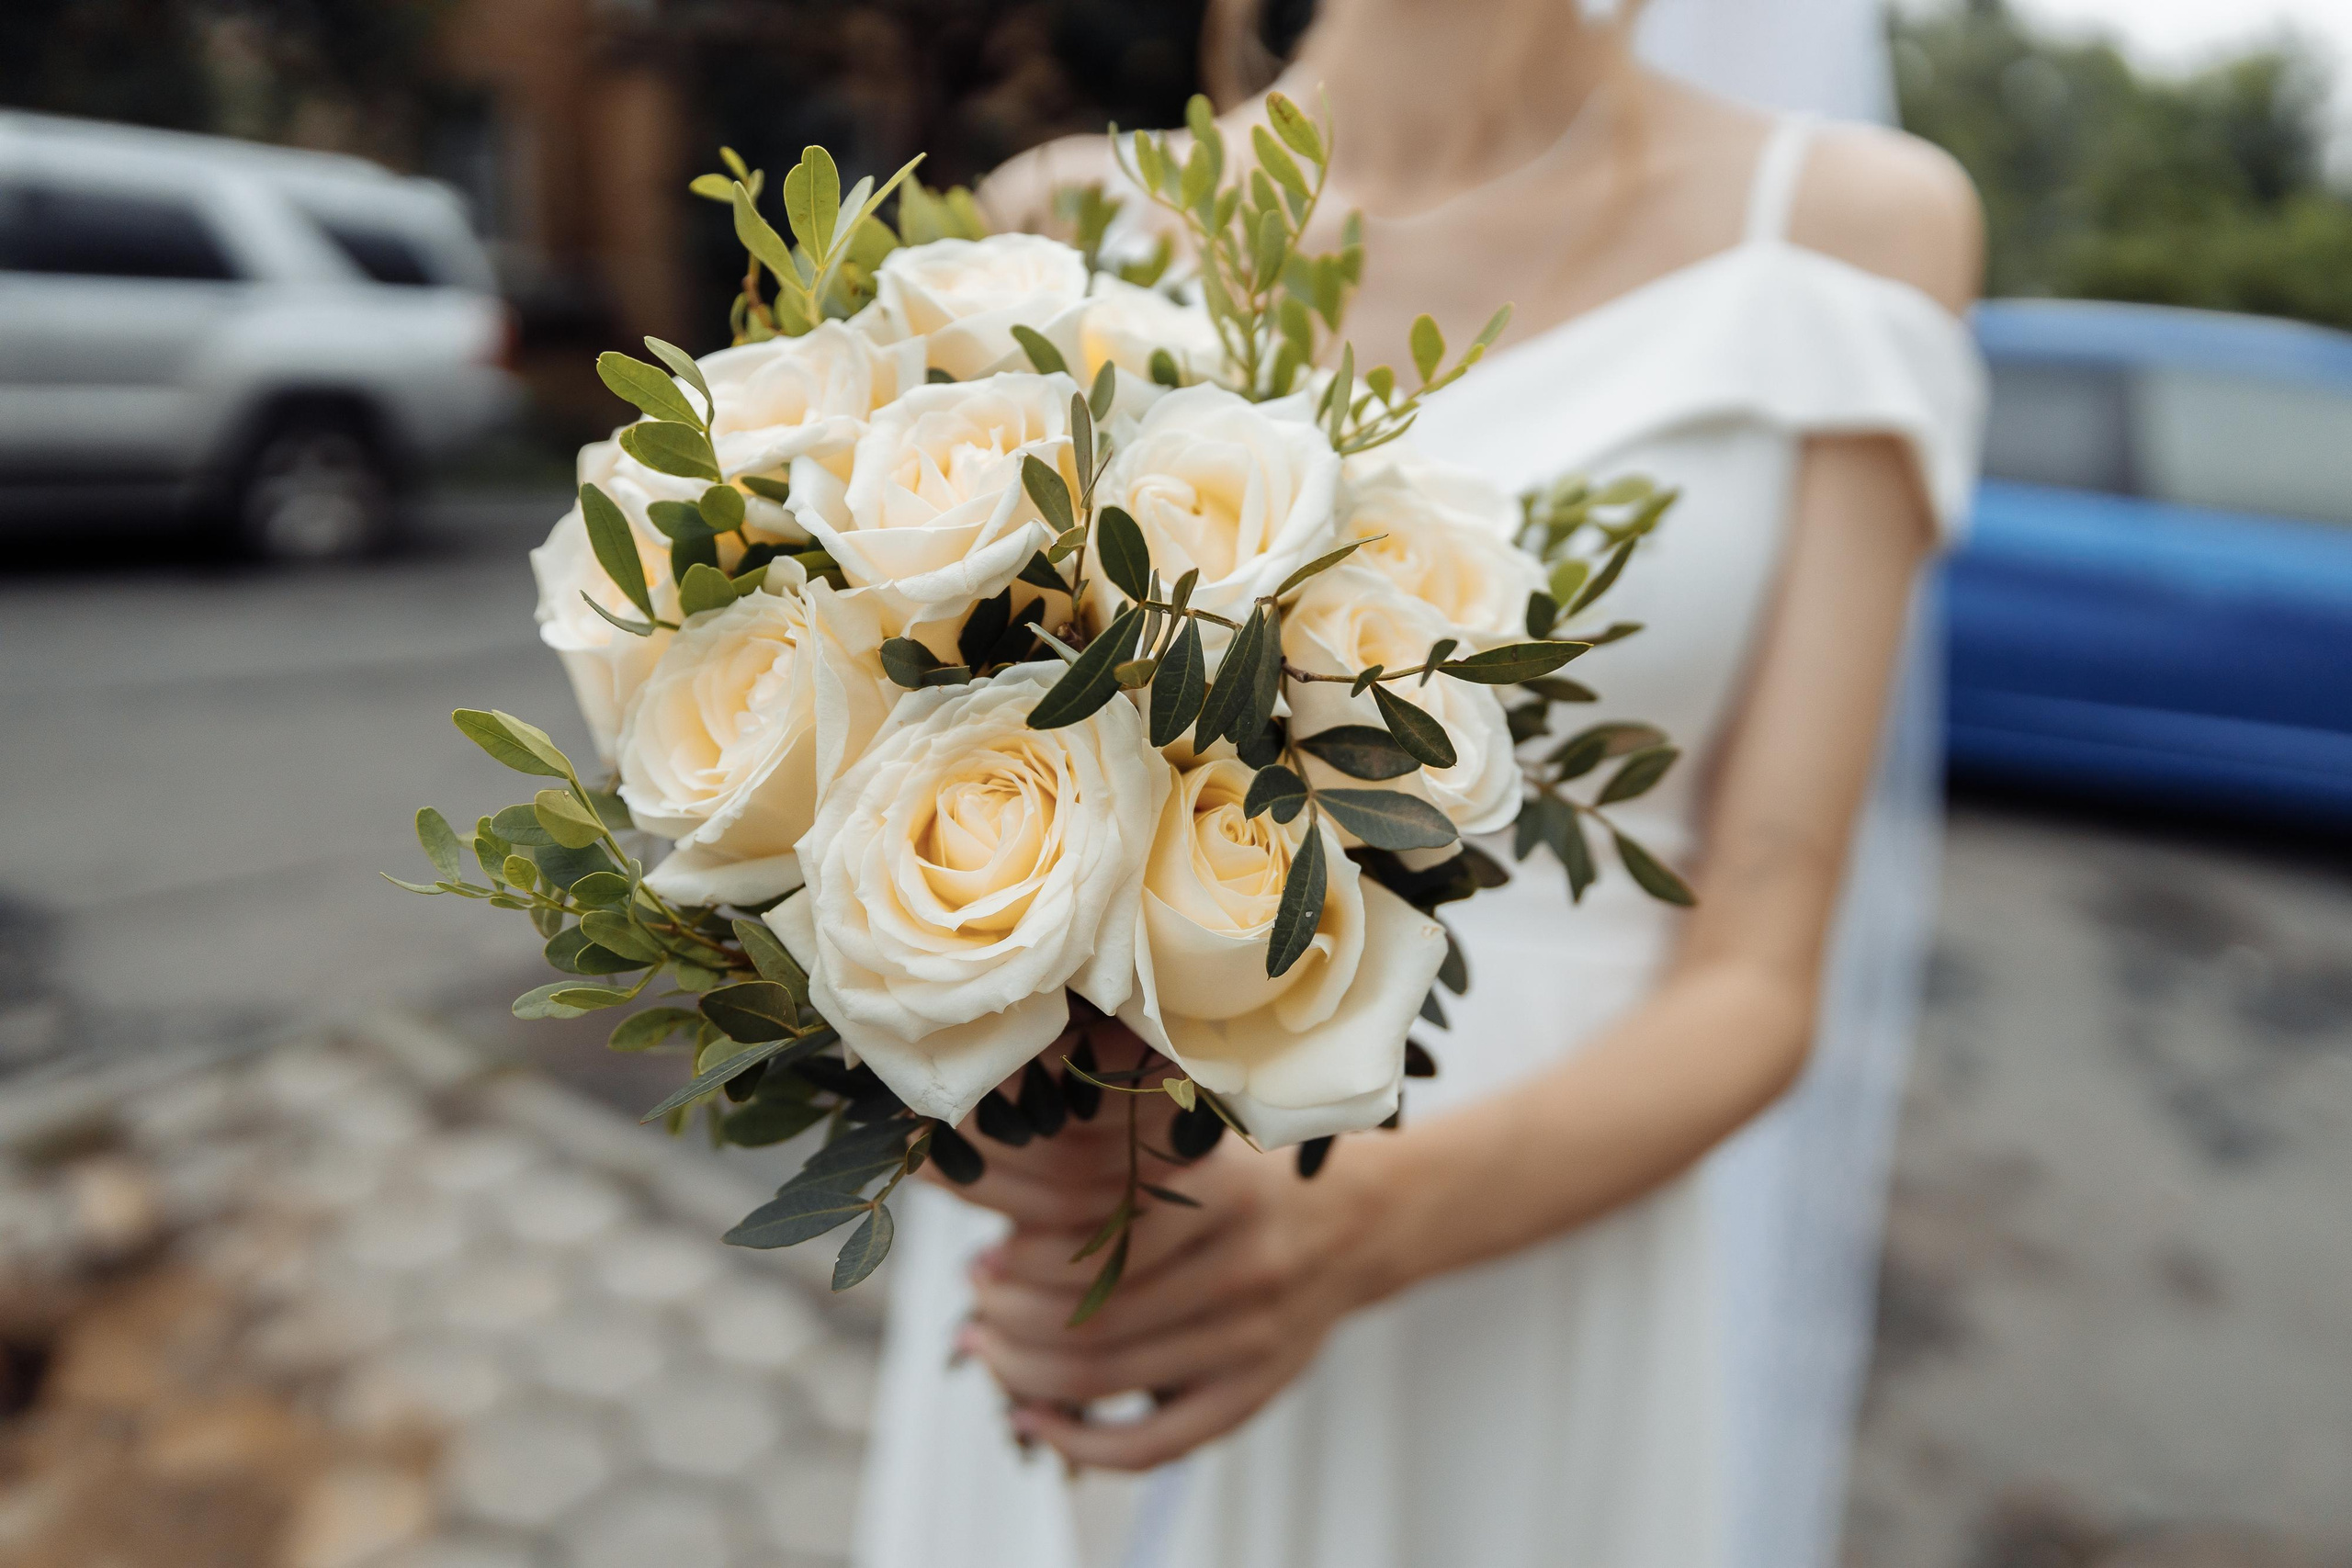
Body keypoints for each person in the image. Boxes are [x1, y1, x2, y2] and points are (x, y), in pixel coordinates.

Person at [855, 2, 1985, 1564]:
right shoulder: (1059, 224)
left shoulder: (1854, 232)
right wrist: (1025, 1147)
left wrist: (1342, 1236)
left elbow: (1763, 970)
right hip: (1100, 1221)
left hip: (1528, 1232)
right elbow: (908, 763)